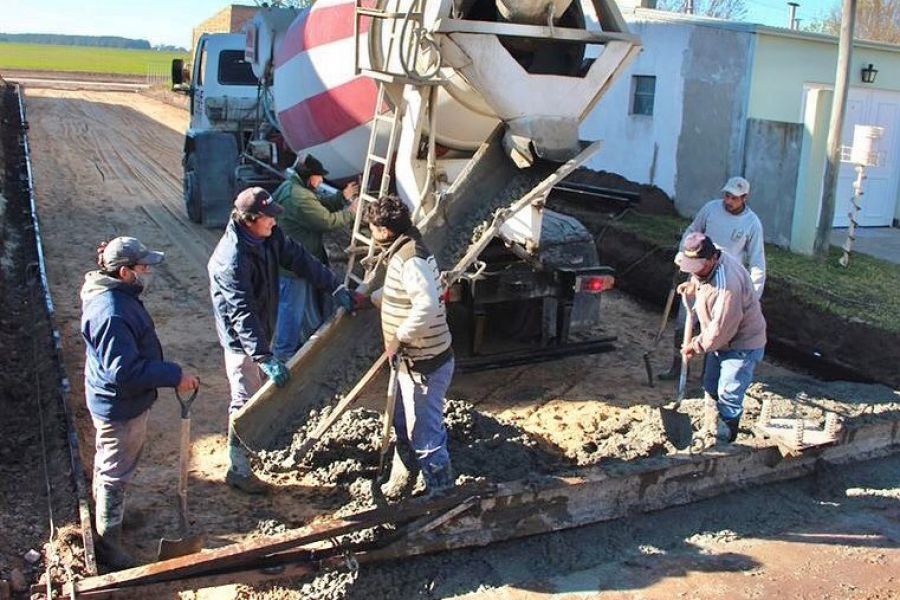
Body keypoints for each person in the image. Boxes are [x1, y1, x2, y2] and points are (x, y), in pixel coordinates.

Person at [208, 187, 356, 493]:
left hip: (261, 324)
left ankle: (252, 449)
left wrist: (335, 287)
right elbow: (241, 312)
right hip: (240, 338)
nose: (274, 222)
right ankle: (238, 468)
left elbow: (300, 258)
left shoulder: (267, 236)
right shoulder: (231, 260)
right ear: (250, 220)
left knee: (260, 390)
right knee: (245, 397)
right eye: (268, 218)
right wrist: (262, 355)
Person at [81, 236, 200, 569]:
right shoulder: (112, 312)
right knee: (115, 472)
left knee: (111, 464)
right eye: (143, 267)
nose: (148, 272)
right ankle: (108, 544)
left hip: (117, 401)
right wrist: (173, 374)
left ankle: (109, 519)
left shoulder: (116, 295)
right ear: (124, 272)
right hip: (120, 406)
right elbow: (126, 371)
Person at [366, 195, 455, 498]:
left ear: (384, 230)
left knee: (425, 432)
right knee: (403, 423)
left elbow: (427, 303)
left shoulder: (410, 257)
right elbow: (399, 291)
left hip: (424, 364)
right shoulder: (403, 249)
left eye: (372, 229)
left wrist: (399, 336)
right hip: (409, 362)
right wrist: (373, 298)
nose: (371, 234)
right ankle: (404, 476)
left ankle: (441, 491)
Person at [660, 176, 766, 380]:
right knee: (684, 325)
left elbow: (757, 262)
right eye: (726, 195)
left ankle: (706, 377)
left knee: (714, 330)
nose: (728, 201)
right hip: (697, 276)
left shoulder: (751, 224)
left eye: (734, 198)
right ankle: (679, 367)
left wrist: (752, 294)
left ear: (744, 198)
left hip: (723, 285)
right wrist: (685, 253)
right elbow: (692, 231)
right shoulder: (710, 209)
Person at [675, 232, 767, 443]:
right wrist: (693, 285)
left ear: (712, 259)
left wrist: (695, 346)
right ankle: (710, 424)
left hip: (742, 343)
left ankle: (726, 437)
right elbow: (699, 274)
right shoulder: (708, 256)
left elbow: (720, 330)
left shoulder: (728, 287)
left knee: (729, 391)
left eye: (696, 268)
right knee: (710, 383)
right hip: (720, 340)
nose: (694, 272)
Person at [272, 154, 360, 361]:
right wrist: (351, 212)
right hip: (294, 267)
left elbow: (319, 205)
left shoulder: (295, 188)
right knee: (291, 313)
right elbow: (326, 221)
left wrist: (341, 197)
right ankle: (284, 356)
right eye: (319, 177)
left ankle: (300, 348)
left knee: (303, 310)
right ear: (310, 178)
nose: (321, 181)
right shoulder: (299, 198)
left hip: (296, 262)